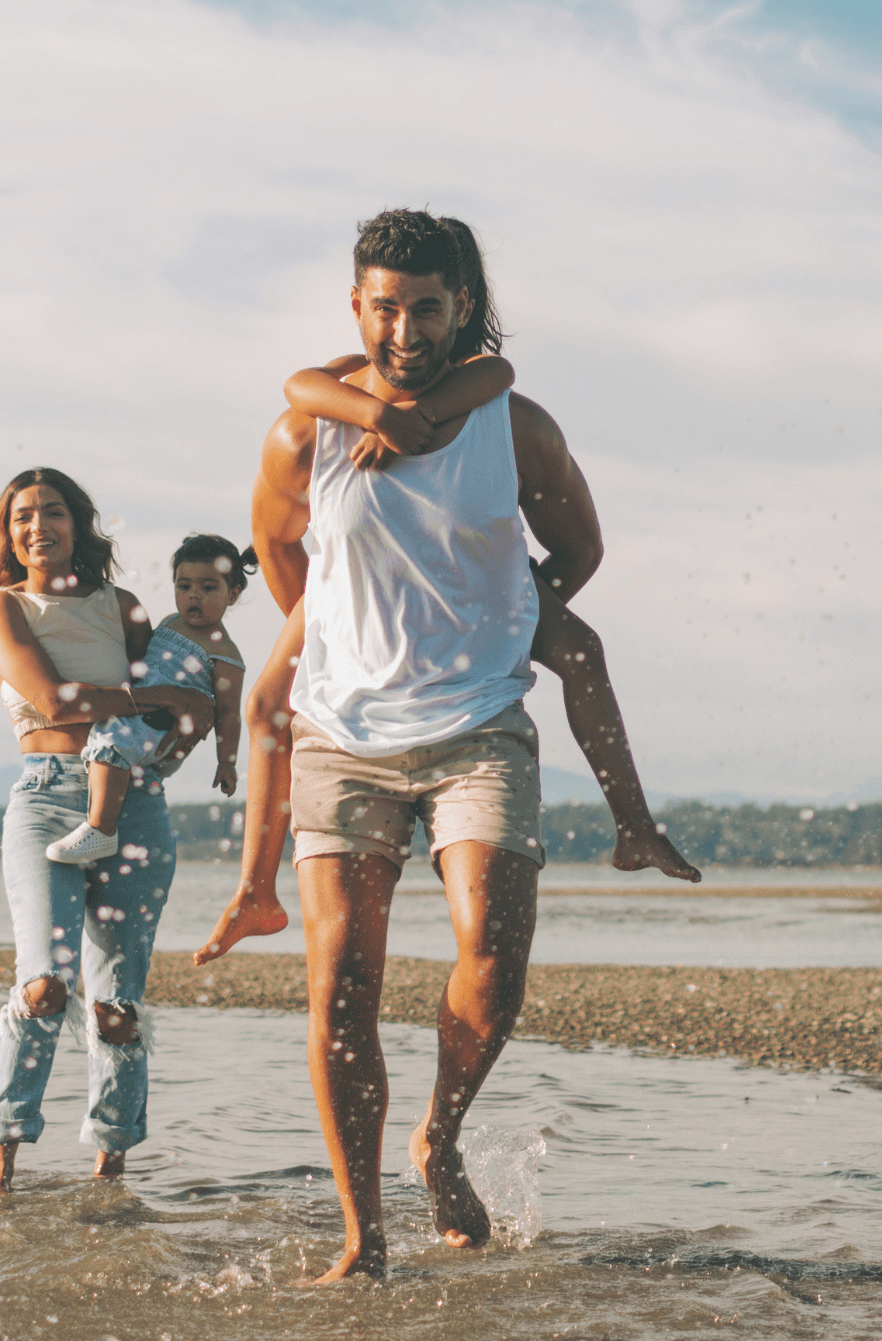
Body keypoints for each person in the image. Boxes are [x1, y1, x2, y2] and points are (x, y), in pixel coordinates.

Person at [197, 209, 693, 1279]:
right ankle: (360, 1236)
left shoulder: (513, 427)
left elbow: (580, 544)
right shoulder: (303, 433)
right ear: (354, 305)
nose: (405, 328)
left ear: (459, 304)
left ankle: (439, 1134)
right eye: (385, 305)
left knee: (490, 955)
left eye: (426, 305)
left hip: (477, 726)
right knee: (339, 983)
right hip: (340, 736)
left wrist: (501, 610)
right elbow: (281, 552)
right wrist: (333, 624)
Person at [0, 467, 219, 1197]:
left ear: (77, 525)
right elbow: (51, 700)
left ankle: (110, 1168)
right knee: (46, 985)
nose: (36, 526)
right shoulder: (4, 607)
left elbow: (182, 706)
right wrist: (158, 697)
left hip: (135, 805)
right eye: (22, 516)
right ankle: (2, 1157)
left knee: (116, 1005)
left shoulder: (125, 606)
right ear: (8, 532)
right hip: (47, 800)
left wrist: (183, 708)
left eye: (52, 512)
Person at [44, 532, 252, 864]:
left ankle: (101, 829)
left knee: (111, 743)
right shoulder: (170, 622)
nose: (193, 596)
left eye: (209, 587)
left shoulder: (225, 655)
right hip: (144, 707)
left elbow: (228, 713)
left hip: (163, 725)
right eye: (184, 587)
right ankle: (105, 814)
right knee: (109, 742)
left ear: (234, 593)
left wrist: (226, 762)